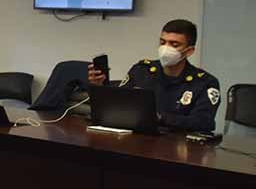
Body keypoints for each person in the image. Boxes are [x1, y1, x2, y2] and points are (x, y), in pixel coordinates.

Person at [88, 19, 220, 131]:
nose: (166, 49)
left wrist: (160, 118)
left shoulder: (205, 83)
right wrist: (99, 87)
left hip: (177, 144)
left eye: (174, 44)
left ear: (189, 51)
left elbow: (203, 122)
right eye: (162, 42)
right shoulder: (142, 70)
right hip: (136, 140)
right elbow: (117, 106)